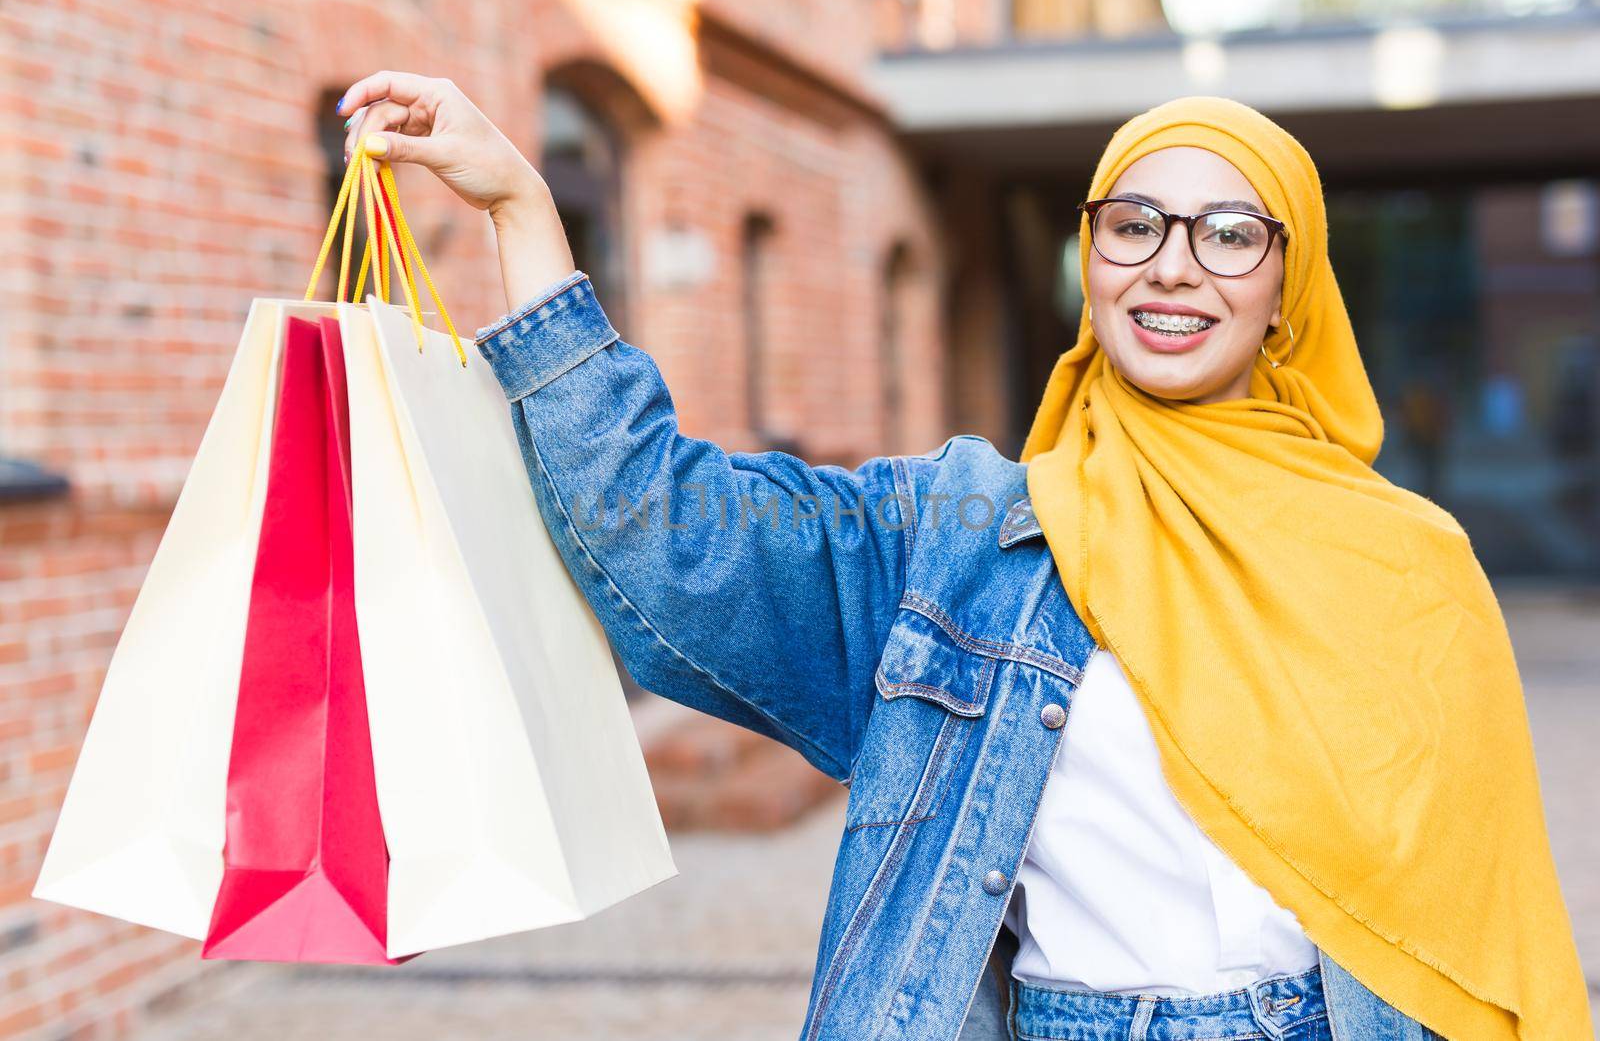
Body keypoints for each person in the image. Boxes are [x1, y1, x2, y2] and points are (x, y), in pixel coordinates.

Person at [335, 73, 1592, 1041]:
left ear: (1287, 286)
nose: (1171, 264)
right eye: (1134, 222)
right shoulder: (962, 533)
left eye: (1228, 234)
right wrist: (523, 209)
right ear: (1088, 262)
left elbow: (1473, 925)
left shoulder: (1408, 567)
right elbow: (664, 532)